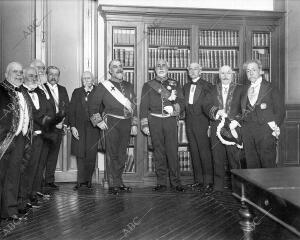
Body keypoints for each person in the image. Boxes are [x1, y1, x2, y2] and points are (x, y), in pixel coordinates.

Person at [89, 60, 137, 195]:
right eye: (115, 67)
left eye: (120, 66)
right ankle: (112, 184)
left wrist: (134, 123)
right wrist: (98, 121)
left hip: (126, 122)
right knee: (112, 153)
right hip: (111, 122)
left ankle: (119, 181)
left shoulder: (129, 85)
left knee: (122, 154)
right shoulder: (103, 86)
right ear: (110, 70)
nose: (118, 69)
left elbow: (133, 106)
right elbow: (93, 105)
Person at [140, 59, 185, 192]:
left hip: (170, 120)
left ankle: (176, 182)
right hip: (154, 121)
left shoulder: (175, 83)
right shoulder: (148, 85)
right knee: (158, 152)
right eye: (158, 66)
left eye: (163, 65)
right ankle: (161, 182)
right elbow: (143, 106)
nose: (161, 67)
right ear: (154, 69)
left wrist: (174, 108)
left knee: (172, 151)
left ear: (168, 68)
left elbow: (182, 102)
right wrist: (144, 124)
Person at [204, 65, 244, 191]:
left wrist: (236, 120)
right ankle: (218, 187)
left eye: (228, 73)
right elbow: (206, 105)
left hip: (233, 128)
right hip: (217, 128)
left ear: (232, 75)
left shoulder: (240, 89)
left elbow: (245, 108)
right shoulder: (212, 89)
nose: (225, 76)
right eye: (222, 73)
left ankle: (238, 189)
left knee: (234, 160)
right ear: (219, 75)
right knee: (217, 158)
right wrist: (216, 111)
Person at [0, 62, 31, 221]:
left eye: (20, 72)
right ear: (6, 74)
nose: (19, 75)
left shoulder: (23, 91)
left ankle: (10, 210)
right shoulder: (1, 90)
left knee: (14, 175)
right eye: (15, 72)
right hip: (4, 139)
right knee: (2, 175)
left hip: (20, 138)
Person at [18, 66, 52, 212]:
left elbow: (45, 110)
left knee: (36, 167)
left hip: (41, 136)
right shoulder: (21, 92)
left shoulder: (39, 91)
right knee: (26, 170)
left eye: (35, 76)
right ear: (24, 77)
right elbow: (32, 114)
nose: (34, 78)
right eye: (31, 75)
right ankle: (22, 202)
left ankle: (31, 196)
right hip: (28, 136)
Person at [241, 59, 285, 168]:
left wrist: (273, 128)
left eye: (254, 70)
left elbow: (280, 111)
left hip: (265, 132)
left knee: (268, 165)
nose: (251, 73)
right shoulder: (243, 89)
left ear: (261, 71)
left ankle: (268, 186)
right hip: (248, 132)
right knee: (251, 166)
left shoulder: (271, 87)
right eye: (248, 71)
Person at [183, 62, 214, 193]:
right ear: (188, 71)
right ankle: (198, 180)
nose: (193, 71)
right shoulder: (185, 86)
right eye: (191, 69)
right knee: (194, 151)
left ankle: (208, 181)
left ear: (200, 71)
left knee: (204, 152)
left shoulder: (208, 86)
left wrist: (209, 125)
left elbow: (211, 106)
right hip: (189, 122)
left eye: (196, 69)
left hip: (203, 122)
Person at [70, 71, 100, 190]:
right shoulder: (77, 92)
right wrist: (73, 126)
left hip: (94, 127)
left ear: (92, 80)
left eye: (88, 78)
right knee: (80, 154)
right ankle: (80, 181)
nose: (86, 80)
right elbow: (71, 110)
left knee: (91, 155)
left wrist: (97, 122)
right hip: (79, 127)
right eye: (83, 78)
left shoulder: (98, 91)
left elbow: (102, 109)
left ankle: (88, 181)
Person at [43, 66, 69, 189]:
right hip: (46, 128)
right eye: (51, 74)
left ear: (59, 77)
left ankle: (49, 181)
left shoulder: (63, 89)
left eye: (56, 75)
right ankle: (38, 183)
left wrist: (63, 123)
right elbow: (41, 111)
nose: (53, 77)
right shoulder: (41, 89)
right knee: (42, 156)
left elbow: (66, 108)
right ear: (47, 75)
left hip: (59, 128)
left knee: (53, 155)